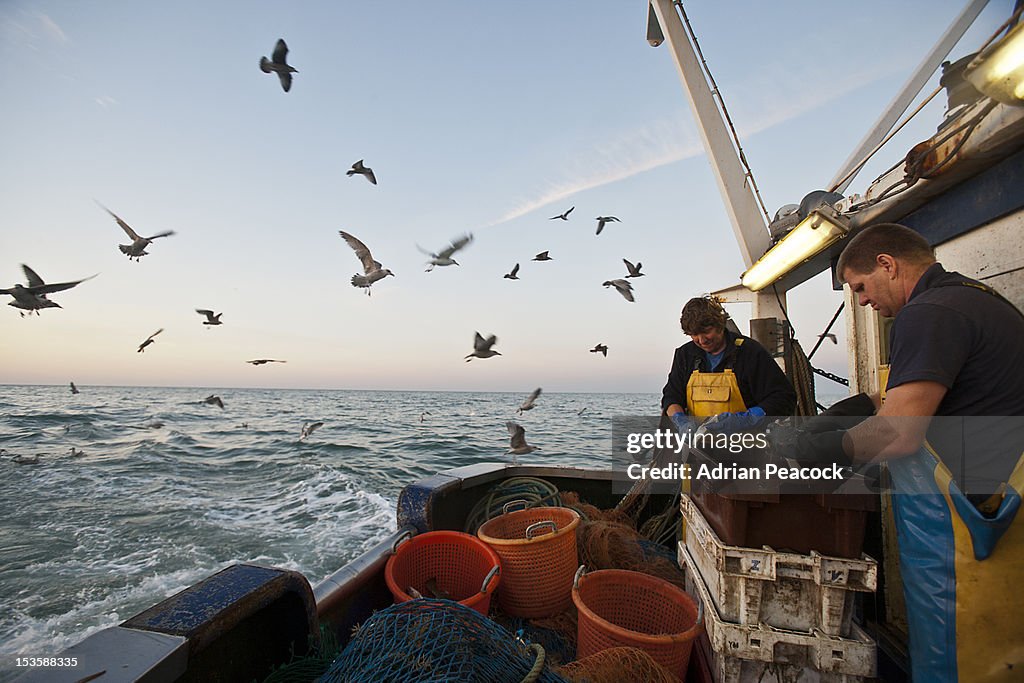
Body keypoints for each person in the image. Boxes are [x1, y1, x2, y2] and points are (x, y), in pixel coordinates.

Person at [796, 222, 1024, 682]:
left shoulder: (927, 312)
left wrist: (827, 449)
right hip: (1003, 511)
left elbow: (900, 433)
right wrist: (856, 407)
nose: (861, 301)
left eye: (860, 287)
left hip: (965, 531)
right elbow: (915, 398)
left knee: (954, 661)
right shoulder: (977, 300)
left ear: (887, 264)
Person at [661, 296, 796, 431]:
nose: (702, 340)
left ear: (720, 325)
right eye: (694, 334)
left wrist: (747, 419)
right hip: (697, 446)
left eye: (706, 332)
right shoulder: (685, 355)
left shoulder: (750, 352)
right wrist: (680, 420)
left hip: (746, 445)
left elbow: (784, 398)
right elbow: (671, 397)